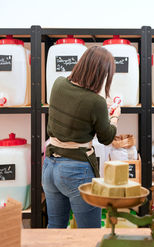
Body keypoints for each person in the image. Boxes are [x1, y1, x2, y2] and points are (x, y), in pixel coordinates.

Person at [42, 46, 120, 228]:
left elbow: (75, 105)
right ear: (101, 74)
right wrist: (115, 117)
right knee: (89, 231)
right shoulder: (96, 102)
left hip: (50, 166)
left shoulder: (58, 83)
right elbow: (106, 138)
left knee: (54, 225)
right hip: (76, 171)